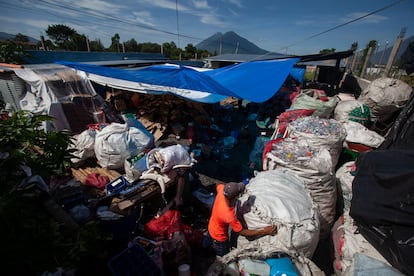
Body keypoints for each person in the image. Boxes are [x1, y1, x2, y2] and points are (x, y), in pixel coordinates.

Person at [207, 182, 277, 257]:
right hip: (219, 237)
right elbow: (242, 232)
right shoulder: (229, 215)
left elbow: (218, 185)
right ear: (235, 198)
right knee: (224, 256)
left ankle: (204, 250)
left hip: (211, 226)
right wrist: (265, 231)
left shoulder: (222, 192)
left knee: (207, 243)